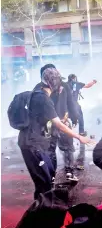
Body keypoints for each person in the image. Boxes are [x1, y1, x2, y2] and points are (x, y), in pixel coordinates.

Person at [18, 68, 93, 200]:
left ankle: (42, 209)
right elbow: (58, 124)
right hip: (33, 144)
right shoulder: (43, 99)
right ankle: (40, 214)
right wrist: (79, 137)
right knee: (44, 184)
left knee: (45, 180)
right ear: (53, 82)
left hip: (34, 142)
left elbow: (46, 119)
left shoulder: (38, 92)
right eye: (58, 80)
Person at [35, 64, 80, 182]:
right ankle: (69, 172)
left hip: (48, 125)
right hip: (61, 122)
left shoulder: (38, 88)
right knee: (67, 148)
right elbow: (72, 103)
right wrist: (74, 118)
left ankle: (52, 175)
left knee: (50, 150)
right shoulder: (63, 85)